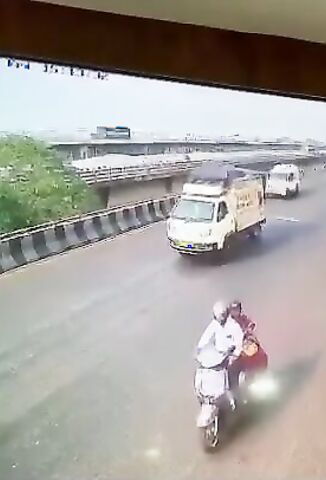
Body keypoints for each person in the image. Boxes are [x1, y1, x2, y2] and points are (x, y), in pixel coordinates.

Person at [197, 301, 244, 409]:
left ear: (226, 314)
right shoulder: (214, 325)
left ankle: (235, 399)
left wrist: (235, 355)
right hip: (218, 356)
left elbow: (239, 341)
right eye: (218, 317)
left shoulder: (233, 325)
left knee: (230, 377)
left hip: (231, 355)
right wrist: (199, 349)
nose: (220, 319)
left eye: (222, 316)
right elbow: (205, 338)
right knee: (205, 372)